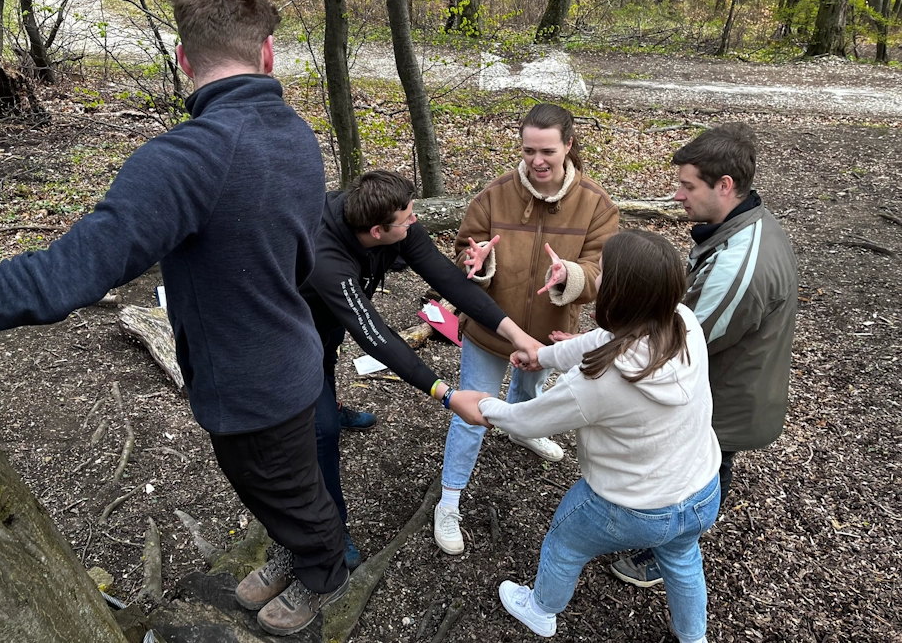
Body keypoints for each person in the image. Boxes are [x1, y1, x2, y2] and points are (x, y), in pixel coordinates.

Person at [0, 0, 347, 637]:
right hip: (286, 358)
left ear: (181, 59)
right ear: (268, 54)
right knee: (280, 487)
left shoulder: (187, 159)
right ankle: (300, 547)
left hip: (254, 388)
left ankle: (322, 573)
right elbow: (293, 255)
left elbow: (51, 282)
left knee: (288, 493)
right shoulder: (293, 133)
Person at [481, 230, 722, 643]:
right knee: (683, 558)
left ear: (619, 293)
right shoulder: (683, 321)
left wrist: (483, 405)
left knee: (565, 543)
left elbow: (525, 421)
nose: (595, 280)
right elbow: (605, 340)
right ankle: (694, 637)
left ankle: (540, 610)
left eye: (603, 275)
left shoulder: (598, 382)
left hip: (631, 507)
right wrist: (544, 355)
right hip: (701, 491)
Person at [299, 170, 539, 568]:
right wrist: (445, 394)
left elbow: (446, 278)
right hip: (294, 327)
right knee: (321, 432)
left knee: (328, 361)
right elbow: (375, 336)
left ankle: (332, 405)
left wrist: (516, 334)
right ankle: (330, 531)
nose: (415, 222)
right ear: (377, 231)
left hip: (330, 319)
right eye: (407, 219)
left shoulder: (388, 214)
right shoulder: (328, 257)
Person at [610, 123, 797, 588]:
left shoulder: (739, 266)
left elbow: (684, 337)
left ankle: (666, 553)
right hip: (730, 382)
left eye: (687, 185)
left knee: (703, 470)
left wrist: (602, 350)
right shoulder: (744, 224)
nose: (677, 196)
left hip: (728, 399)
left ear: (725, 186)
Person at [434, 103, 619, 555]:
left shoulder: (597, 206)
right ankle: (450, 499)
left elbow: (599, 274)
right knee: (472, 412)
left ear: (569, 146)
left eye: (548, 151)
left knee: (528, 393)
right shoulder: (494, 196)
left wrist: (570, 277)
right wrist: (476, 263)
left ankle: (521, 427)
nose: (537, 161)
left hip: (548, 337)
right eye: (529, 150)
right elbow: (467, 248)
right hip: (489, 328)